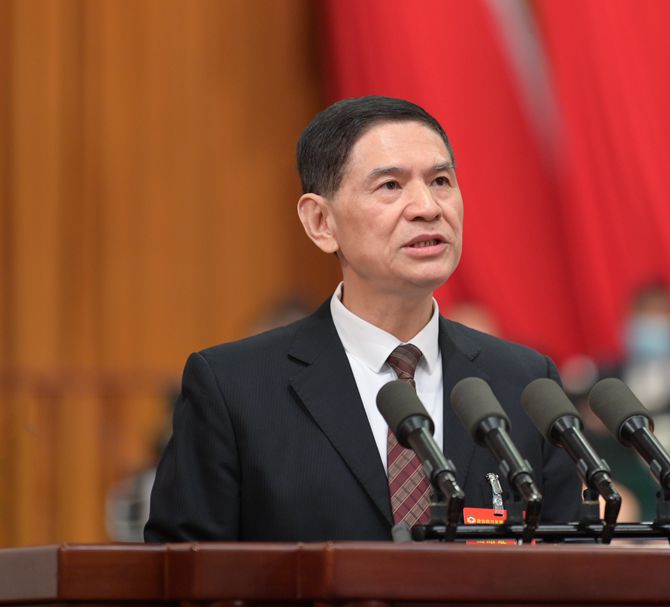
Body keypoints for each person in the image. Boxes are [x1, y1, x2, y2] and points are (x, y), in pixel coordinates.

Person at [144, 96, 581, 542]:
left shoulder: (526, 385)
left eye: (441, 181)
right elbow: (185, 568)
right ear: (321, 221)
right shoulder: (234, 388)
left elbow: (567, 563)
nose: (428, 207)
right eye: (390, 185)